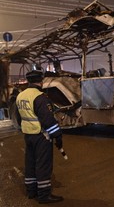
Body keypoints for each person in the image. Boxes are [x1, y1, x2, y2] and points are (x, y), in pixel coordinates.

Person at [16, 70, 64, 204]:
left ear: (29, 81)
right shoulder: (40, 97)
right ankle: (44, 195)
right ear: (40, 81)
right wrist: (58, 136)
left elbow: (19, 118)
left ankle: (31, 191)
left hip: (28, 135)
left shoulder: (21, 96)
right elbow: (48, 120)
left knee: (30, 163)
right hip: (41, 136)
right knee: (43, 164)